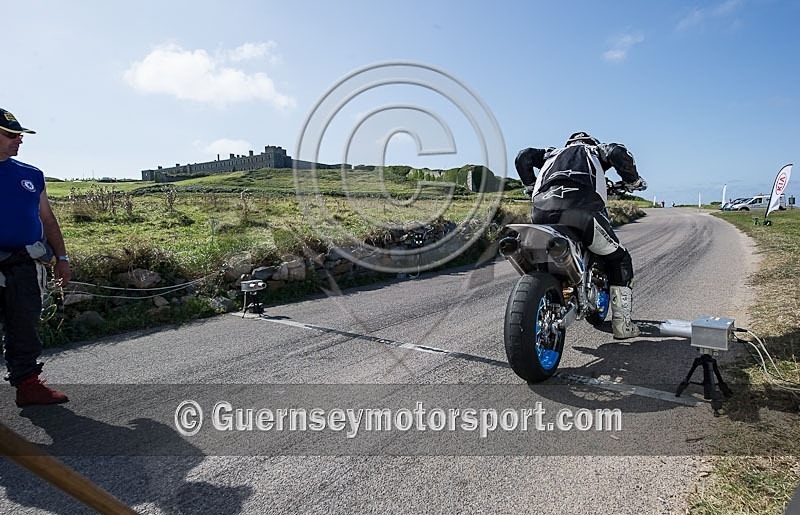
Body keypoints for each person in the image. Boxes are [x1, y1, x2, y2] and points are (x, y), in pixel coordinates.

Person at [515, 131, 646, 339]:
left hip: (541, 210)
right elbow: (617, 152)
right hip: (581, 210)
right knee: (619, 258)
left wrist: (530, 185)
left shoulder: (551, 154)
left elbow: (523, 156)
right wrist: (633, 181)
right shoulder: (594, 150)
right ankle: (623, 324)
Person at [0, 107, 71, 406]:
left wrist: (62, 258)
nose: (19, 140)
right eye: (11, 134)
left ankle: (28, 386)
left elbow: (48, 219)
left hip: (25, 265)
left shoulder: (31, 175)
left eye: (20, 135)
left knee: (25, 326)